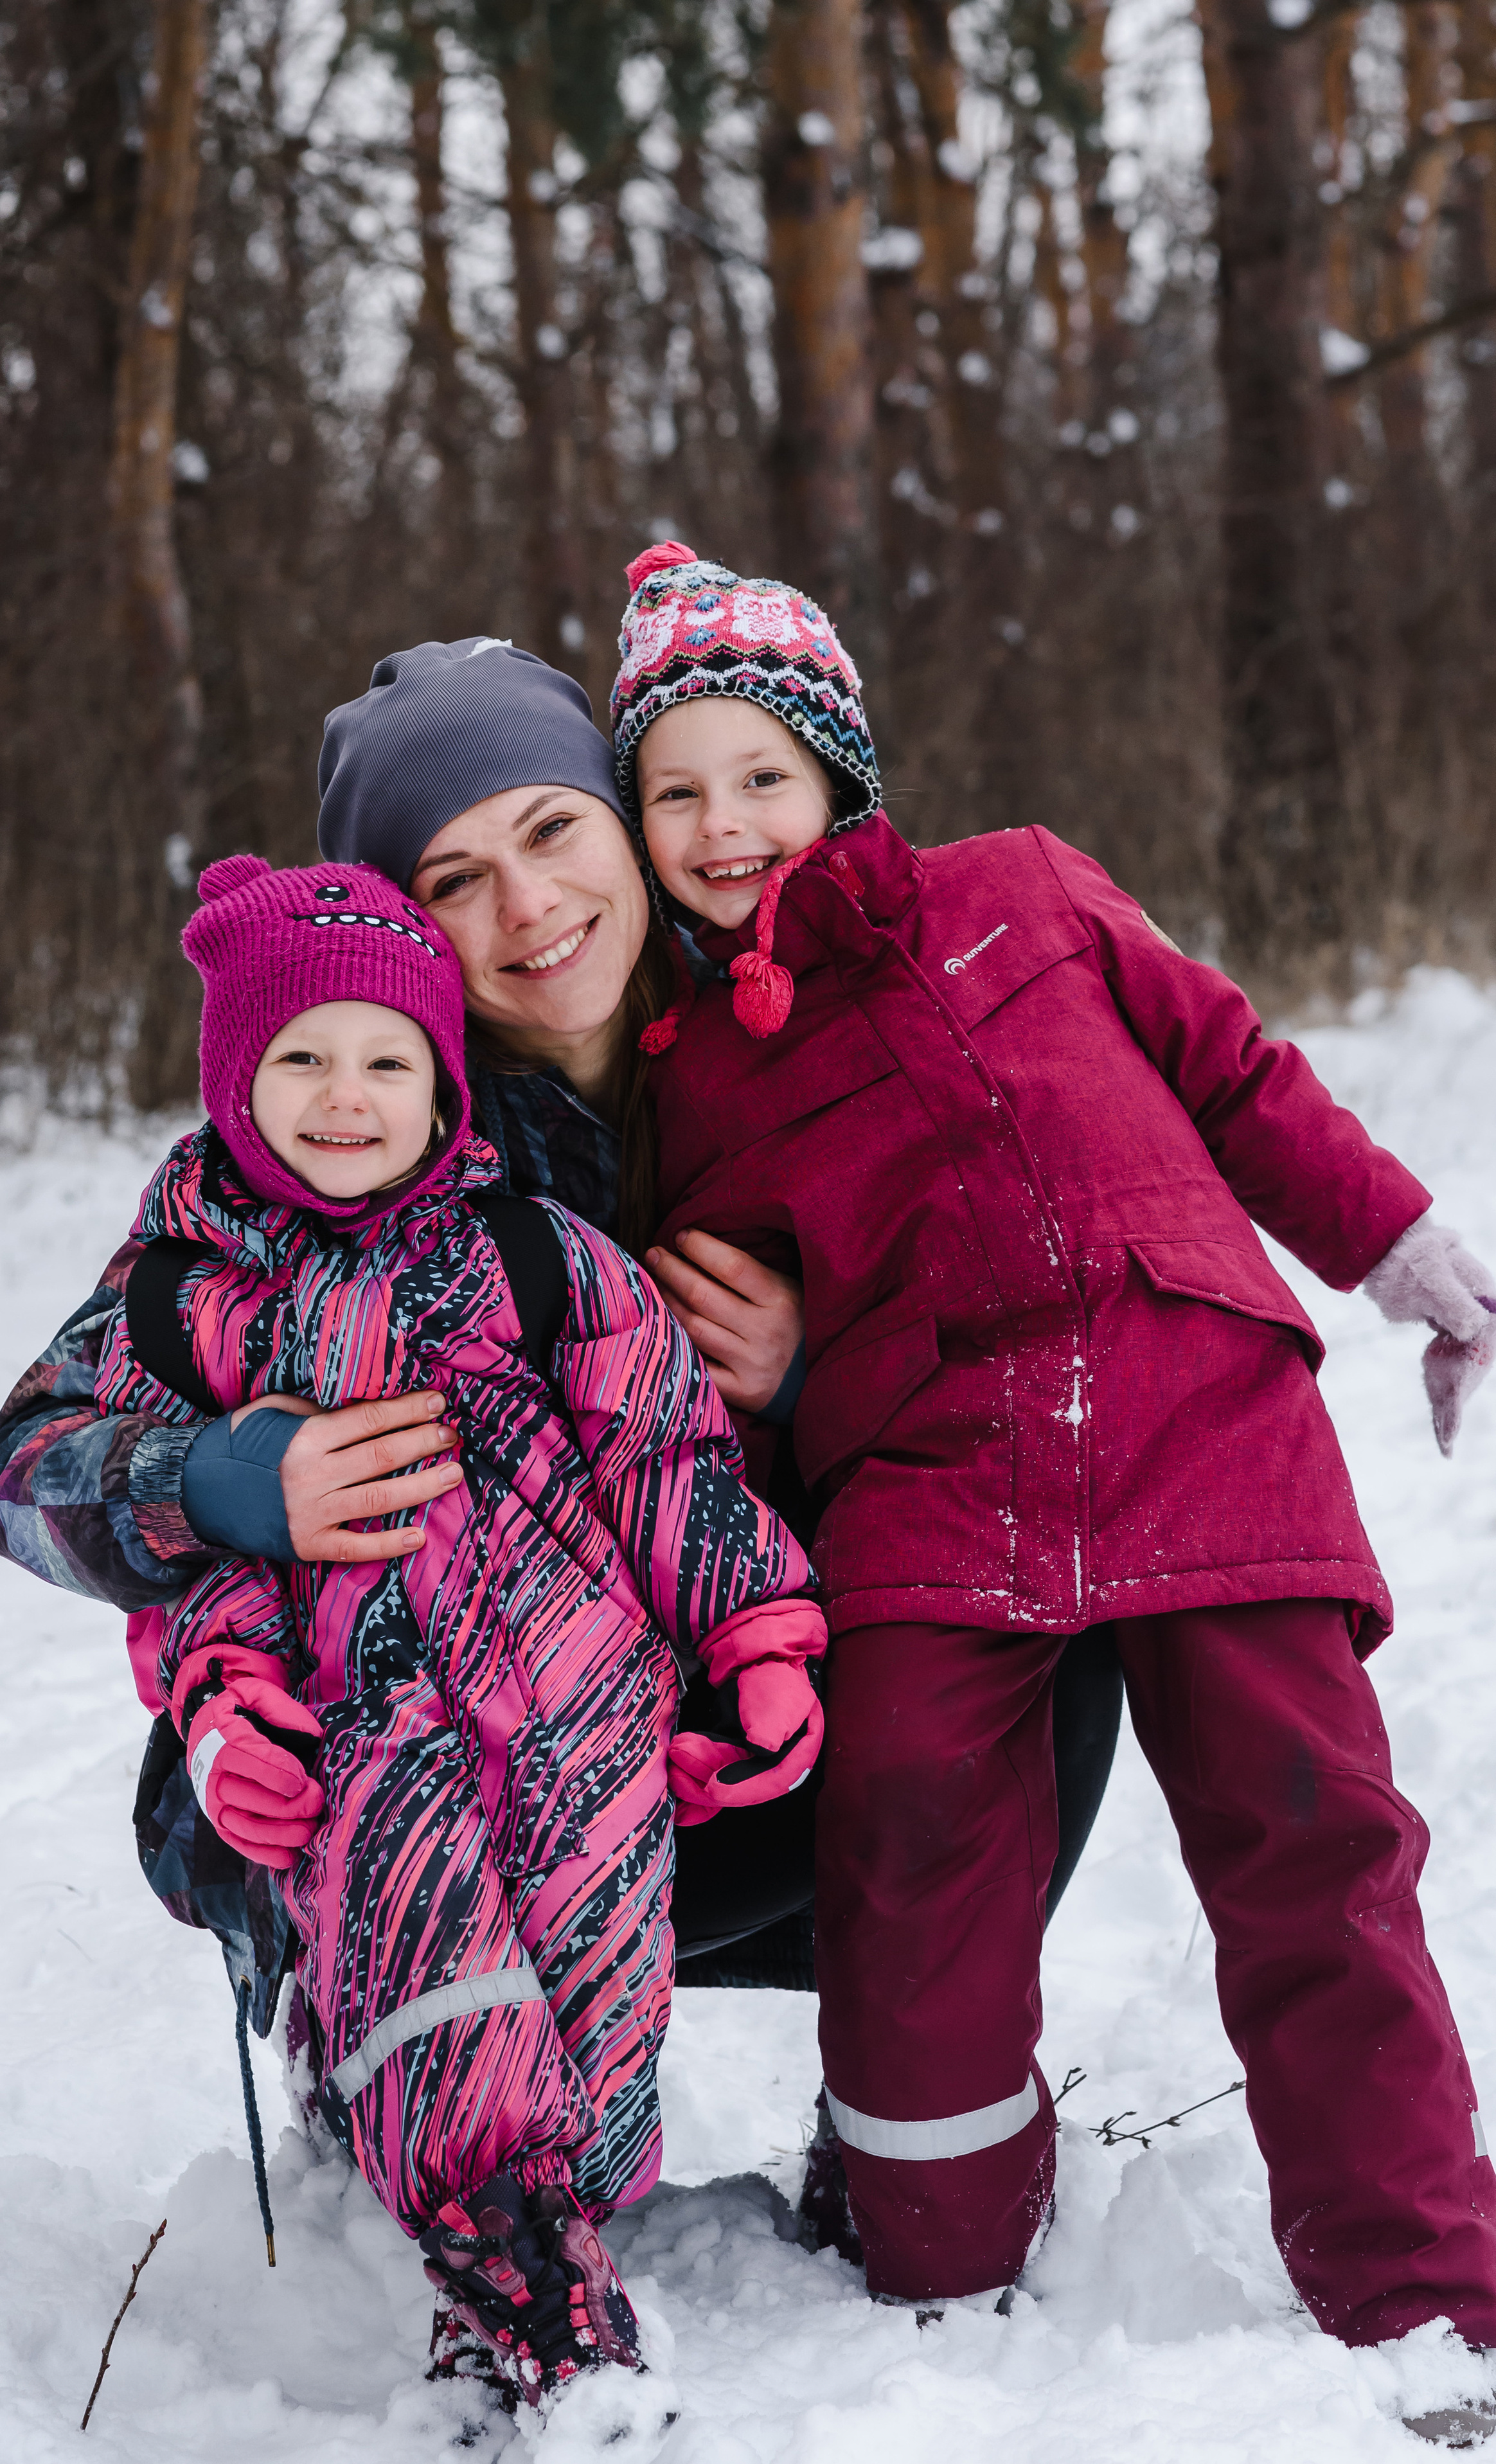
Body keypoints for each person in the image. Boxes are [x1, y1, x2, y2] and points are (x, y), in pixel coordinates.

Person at [610, 540, 1496, 2372]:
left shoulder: (1025, 890)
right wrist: (780, 1390)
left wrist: (1403, 1254)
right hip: (935, 1485)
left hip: (1201, 1413)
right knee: (912, 1842)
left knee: (1315, 1842)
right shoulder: (693, 1080)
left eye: (762, 774)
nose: (725, 824)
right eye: (675, 791)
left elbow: (1237, 1072)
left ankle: (1422, 2291)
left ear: (840, 773)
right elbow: (720, 1342)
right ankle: (934, 2263)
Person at [0, 640, 1125, 2006]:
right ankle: (402, 2079)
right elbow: (22, 1470)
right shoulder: (343, 1133)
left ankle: (908, 2112)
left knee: (1044, 1607)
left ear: (626, 831)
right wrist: (227, 1481)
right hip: (430, 1760)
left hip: (715, 1718)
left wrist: (822, 1372)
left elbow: (1033, 1368)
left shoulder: (798, 1042)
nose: (527, 905)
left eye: (551, 828)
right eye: (452, 880)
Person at [91, 847, 824, 2416]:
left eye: (387, 1061)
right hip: (354, 1718)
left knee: (591, 1999)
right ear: (233, 1077)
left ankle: (523, 2238)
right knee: (430, 1970)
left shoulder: (535, 1261)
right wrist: (219, 1702)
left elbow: (663, 1452)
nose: (343, 1097)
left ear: (442, 1084)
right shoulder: (180, 1303)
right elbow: (164, 1546)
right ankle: (546, 2324)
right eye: (298, 1057)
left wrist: (756, 1632)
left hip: (584, 1703)